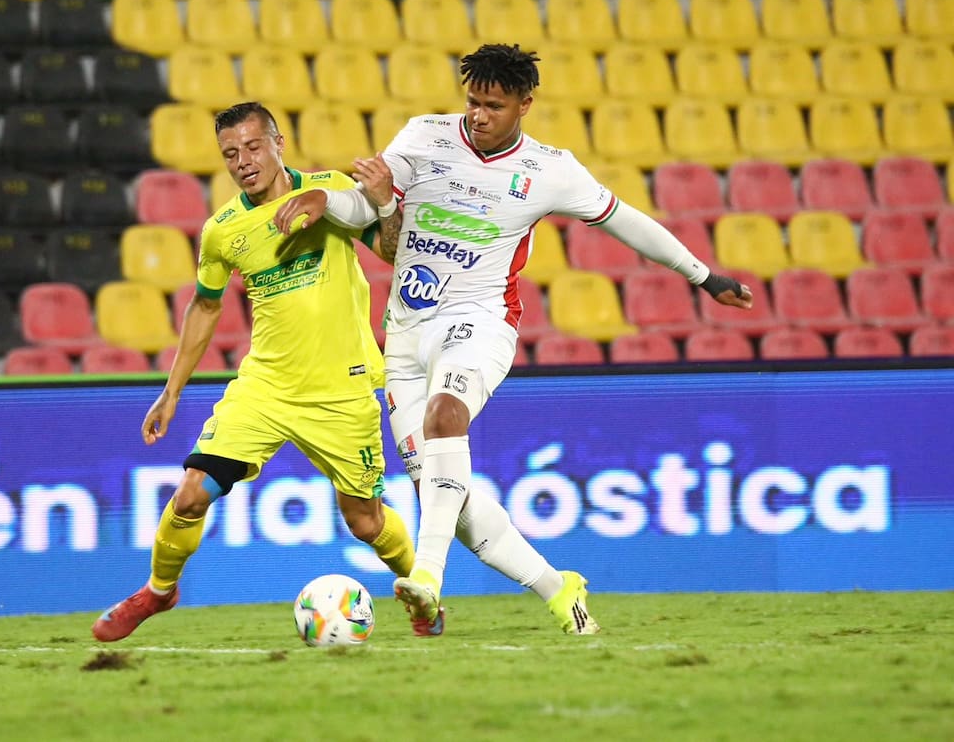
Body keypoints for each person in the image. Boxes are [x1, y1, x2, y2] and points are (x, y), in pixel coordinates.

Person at [273, 44, 754, 636]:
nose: (477, 115)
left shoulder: (551, 169)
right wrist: (328, 201)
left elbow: (628, 221)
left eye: (492, 105)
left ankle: (426, 577)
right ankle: (559, 589)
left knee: (445, 420)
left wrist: (703, 276)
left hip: (480, 325)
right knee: (446, 494)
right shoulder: (425, 136)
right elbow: (368, 206)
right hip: (403, 338)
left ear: (525, 104)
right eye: (472, 101)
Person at [92, 101, 419, 642]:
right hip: (265, 387)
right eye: (229, 153)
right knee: (192, 492)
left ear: (277, 143)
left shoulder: (329, 190)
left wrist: (384, 205)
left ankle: (419, 588)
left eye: (252, 147)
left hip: (343, 388)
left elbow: (392, 251)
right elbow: (204, 306)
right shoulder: (223, 231)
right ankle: (158, 590)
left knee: (365, 520)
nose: (242, 161)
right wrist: (171, 394)